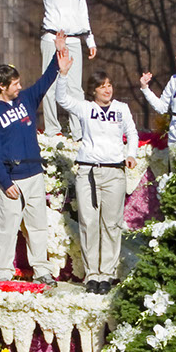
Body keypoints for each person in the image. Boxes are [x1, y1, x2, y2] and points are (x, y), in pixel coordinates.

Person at [55, 48, 137, 294]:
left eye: (110, 85)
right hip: (88, 172)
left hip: (114, 172)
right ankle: (92, 275)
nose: (107, 89)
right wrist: (63, 74)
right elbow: (62, 100)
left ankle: (108, 275)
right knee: (89, 223)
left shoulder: (121, 108)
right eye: (102, 86)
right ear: (94, 90)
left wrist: (131, 153)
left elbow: (131, 133)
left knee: (111, 225)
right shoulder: (85, 108)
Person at [0, 36, 64, 283]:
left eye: (19, 82)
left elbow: (45, 82)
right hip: (12, 180)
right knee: (7, 229)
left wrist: (57, 56)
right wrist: (6, 183)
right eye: (14, 84)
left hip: (34, 174)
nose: (19, 87)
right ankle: (2, 274)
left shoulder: (25, 99)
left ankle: (42, 271)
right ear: (1, 87)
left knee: (38, 226)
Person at [18, 0, 96, 135]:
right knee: (50, 84)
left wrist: (90, 39)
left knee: (75, 88)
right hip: (52, 38)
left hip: (74, 39)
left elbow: (82, 11)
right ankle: (53, 129)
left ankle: (78, 131)